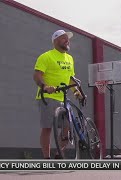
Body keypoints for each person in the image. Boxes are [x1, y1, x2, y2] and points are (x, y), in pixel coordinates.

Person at [33, 30, 84, 159]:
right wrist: (44, 86)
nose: (67, 40)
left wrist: (76, 91)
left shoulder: (70, 58)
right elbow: (37, 75)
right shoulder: (46, 56)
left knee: (67, 128)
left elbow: (70, 78)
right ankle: (46, 158)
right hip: (48, 97)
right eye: (64, 38)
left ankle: (59, 155)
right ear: (55, 41)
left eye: (68, 39)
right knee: (47, 128)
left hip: (64, 97)